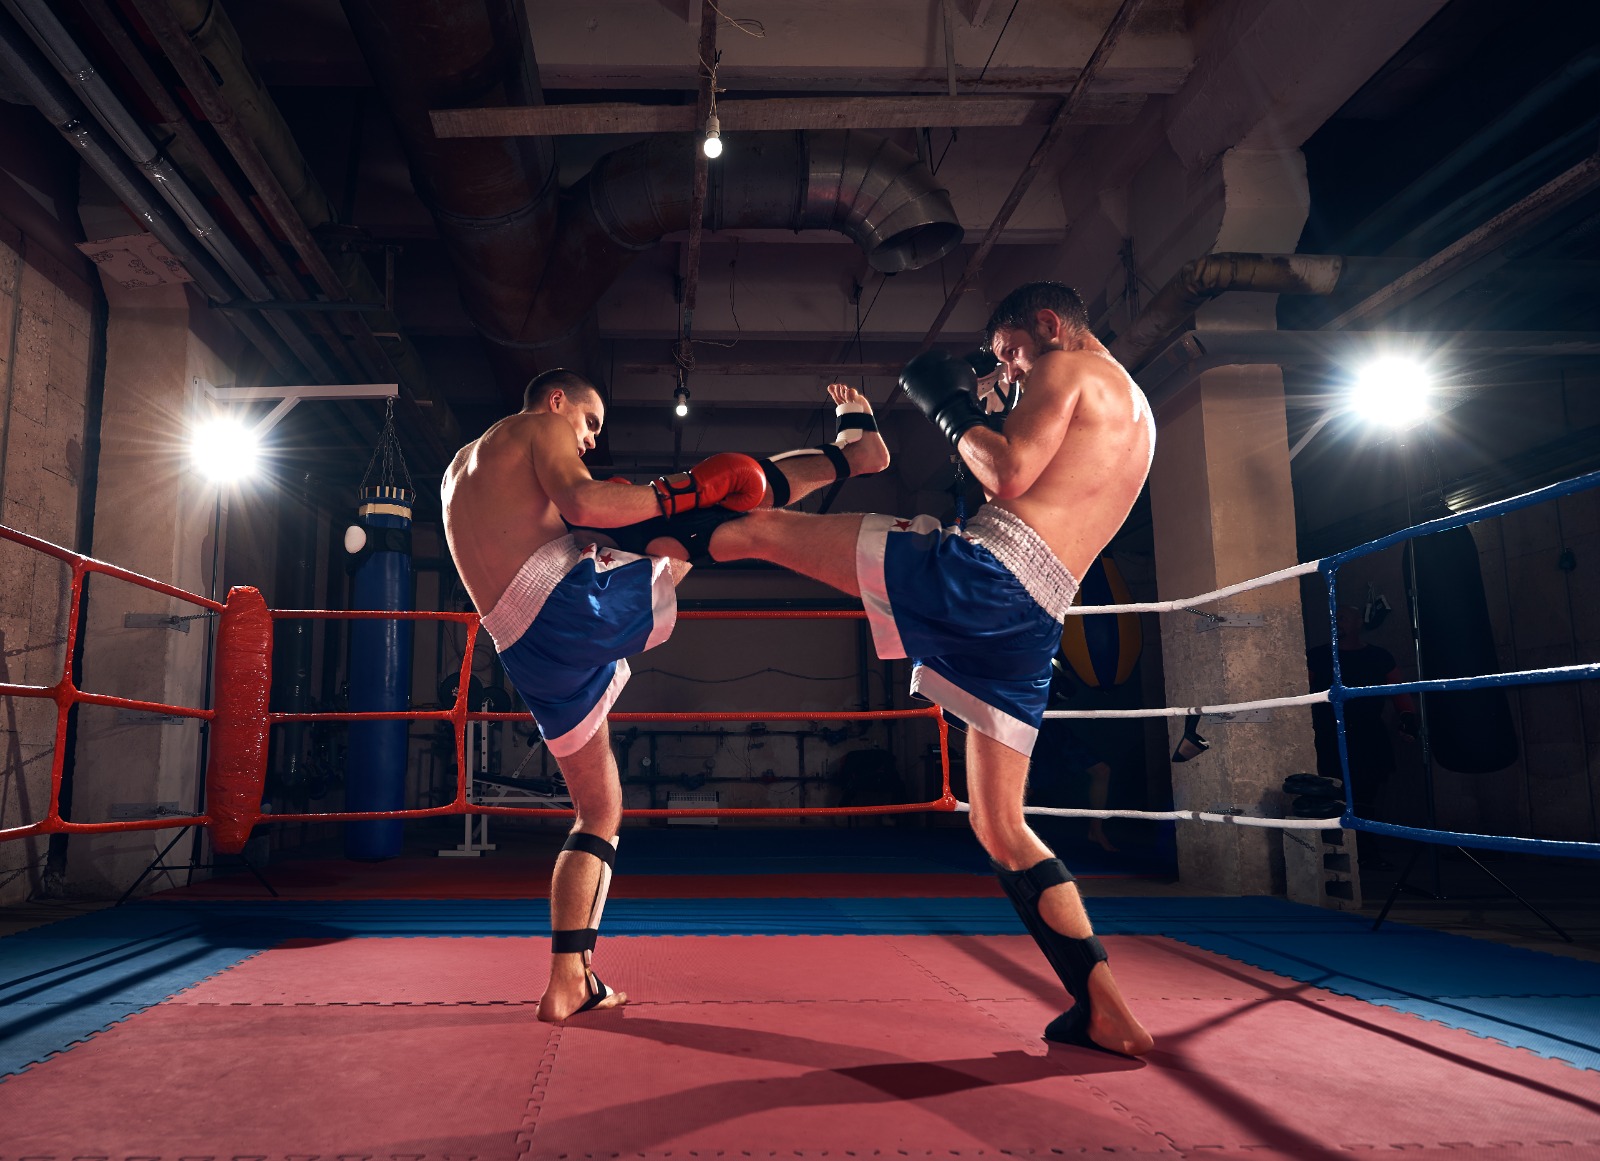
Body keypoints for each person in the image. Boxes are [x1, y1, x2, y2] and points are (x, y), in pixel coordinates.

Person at [707, 282, 1155, 1056]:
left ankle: (620, 543)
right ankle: (1105, 1004)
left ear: (1047, 325)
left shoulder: (1066, 365)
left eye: (1012, 351)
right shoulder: (1138, 415)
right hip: (1034, 619)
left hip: (985, 576)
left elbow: (1006, 474)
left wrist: (952, 406)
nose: (1010, 371)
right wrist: (991, 404)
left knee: (756, 529)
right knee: (1000, 824)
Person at [441, 370, 888, 1023]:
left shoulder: (460, 470)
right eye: (589, 421)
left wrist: (628, 517)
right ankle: (855, 458)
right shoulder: (538, 426)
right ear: (557, 400)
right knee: (719, 507)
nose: (590, 438)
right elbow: (585, 500)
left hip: (521, 645)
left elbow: (558, 526)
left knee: (599, 811)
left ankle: (570, 978)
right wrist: (683, 489)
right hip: (566, 607)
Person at [1306, 604, 1419, 817]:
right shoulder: (1318, 656)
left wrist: (1408, 719)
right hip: (1329, 737)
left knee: (1366, 799)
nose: (1338, 622)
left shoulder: (1379, 657)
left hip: (1368, 738)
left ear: (1359, 623)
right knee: (1330, 797)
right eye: (1335, 618)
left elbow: (1400, 693)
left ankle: (1367, 846)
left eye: (1344, 617)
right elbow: (1299, 691)